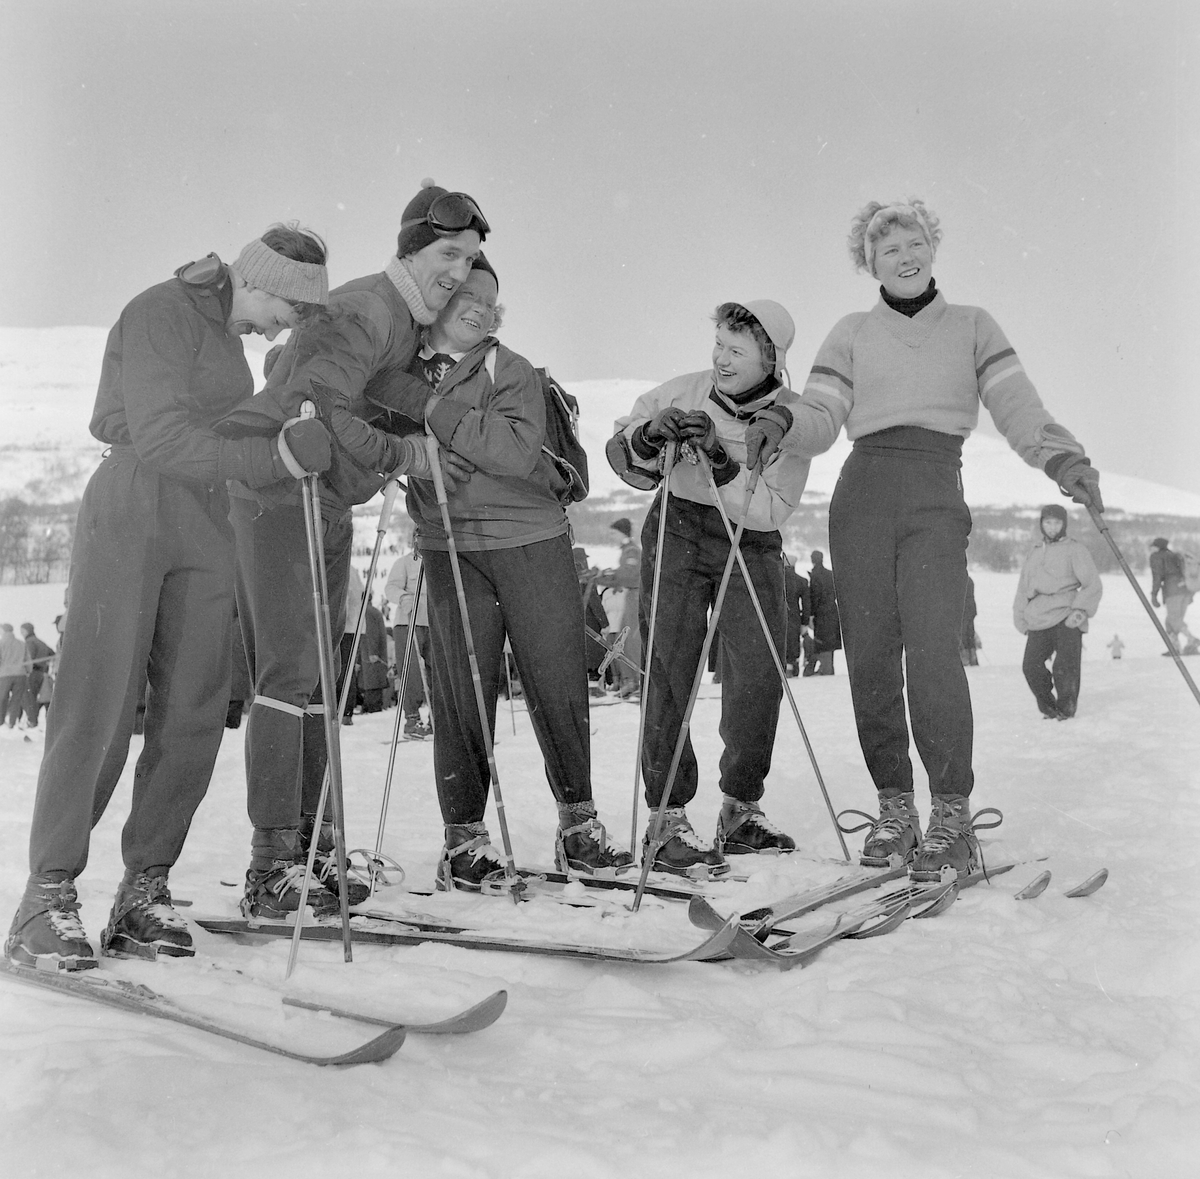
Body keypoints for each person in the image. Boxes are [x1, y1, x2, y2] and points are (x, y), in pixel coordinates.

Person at [5, 225, 333, 970]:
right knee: (100, 702)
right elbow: (157, 436)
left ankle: (143, 888)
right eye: (287, 310)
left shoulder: (225, 334)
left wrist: (287, 433)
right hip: (135, 504)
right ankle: (46, 894)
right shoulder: (162, 310)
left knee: (192, 708)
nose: (283, 329)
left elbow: (223, 434)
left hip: (207, 515)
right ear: (261, 280)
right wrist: (271, 454)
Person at [789, 198, 1103, 879]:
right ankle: (895, 806)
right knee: (871, 653)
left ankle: (951, 812)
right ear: (868, 262)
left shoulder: (971, 327)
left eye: (914, 243)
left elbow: (1018, 405)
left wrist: (1062, 457)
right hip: (863, 490)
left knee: (934, 648)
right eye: (888, 248)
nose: (904, 256)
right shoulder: (850, 332)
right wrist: (779, 423)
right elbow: (819, 415)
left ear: (933, 248)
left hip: (935, 489)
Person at [226, 181, 481, 917]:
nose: (456, 271)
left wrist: (427, 408)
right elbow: (324, 408)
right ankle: (272, 862)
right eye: (446, 253)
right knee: (287, 674)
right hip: (282, 495)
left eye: (467, 260)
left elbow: (377, 381)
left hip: (326, 502)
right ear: (410, 247)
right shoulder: (368, 306)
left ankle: (312, 847)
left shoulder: (398, 318)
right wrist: (410, 454)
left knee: (317, 678)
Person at [398, 254, 632, 889]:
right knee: (461, 691)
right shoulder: (399, 369)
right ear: (435, 296)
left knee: (556, 680)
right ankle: (464, 841)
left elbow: (511, 448)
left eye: (490, 297)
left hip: (532, 541)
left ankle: (579, 826)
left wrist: (427, 409)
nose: (478, 305)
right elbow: (375, 448)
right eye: (464, 292)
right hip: (449, 547)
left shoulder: (512, 369)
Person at [607, 300, 808, 874]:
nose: (720, 359)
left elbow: (772, 506)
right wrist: (649, 434)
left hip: (750, 537)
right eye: (718, 344)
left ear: (770, 357)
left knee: (758, 670)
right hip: (680, 526)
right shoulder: (684, 389)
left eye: (736, 351)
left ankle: (741, 808)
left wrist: (722, 459)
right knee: (669, 665)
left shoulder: (791, 417)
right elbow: (626, 458)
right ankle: (667, 818)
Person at [1013, 505, 1102, 719]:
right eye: (1048, 523)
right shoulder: (1034, 551)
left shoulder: (1075, 549)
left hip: (1067, 613)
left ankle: (1066, 710)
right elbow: (1023, 587)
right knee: (1030, 667)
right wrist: (1020, 615)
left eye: (1057, 523)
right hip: (1039, 615)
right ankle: (1049, 708)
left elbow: (1092, 584)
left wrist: (1079, 610)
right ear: (1041, 524)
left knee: (1065, 667)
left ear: (1064, 525)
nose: (1052, 528)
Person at [384, 528, 433, 738]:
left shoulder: (437, 563)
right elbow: (391, 588)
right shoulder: (403, 563)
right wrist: (404, 598)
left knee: (438, 672)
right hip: (408, 624)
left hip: (433, 623)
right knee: (411, 673)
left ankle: (437, 718)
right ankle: (412, 719)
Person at [596, 518, 643, 698]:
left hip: (634, 594)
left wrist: (604, 576)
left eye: (613, 533)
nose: (611, 536)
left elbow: (627, 575)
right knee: (627, 638)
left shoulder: (631, 551)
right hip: (631, 594)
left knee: (629, 638)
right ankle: (631, 680)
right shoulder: (628, 550)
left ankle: (634, 680)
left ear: (622, 533)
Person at [1149, 538, 1197, 655]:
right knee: (1171, 620)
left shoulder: (1157, 557)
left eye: (1153, 546)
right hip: (1185, 591)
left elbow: (1157, 576)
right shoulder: (1175, 556)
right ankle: (1176, 648)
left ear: (1157, 546)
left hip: (1172, 591)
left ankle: (1192, 640)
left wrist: (1154, 594)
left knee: (1173, 619)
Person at [806, 551, 841, 675]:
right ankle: (828, 667)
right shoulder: (830, 574)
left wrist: (810, 614)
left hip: (820, 613)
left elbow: (814, 597)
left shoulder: (814, 575)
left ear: (812, 560)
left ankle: (825, 669)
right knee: (829, 641)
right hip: (832, 610)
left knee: (821, 640)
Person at [357, 595, 390, 713]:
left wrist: (372, 652)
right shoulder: (372, 611)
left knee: (372, 681)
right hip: (372, 652)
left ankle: (372, 707)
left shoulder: (367, 612)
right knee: (373, 680)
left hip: (370, 653)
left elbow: (371, 633)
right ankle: (371, 706)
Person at [19, 624, 55, 730]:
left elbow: (29, 658)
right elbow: (52, 653)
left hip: (32, 672)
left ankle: (32, 721)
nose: (21, 633)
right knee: (34, 697)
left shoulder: (29, 642)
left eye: (22, 631)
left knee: (29, 697)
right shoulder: (41, 642)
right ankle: (33, 720)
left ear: (26, 631)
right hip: (42, 673)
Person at [782, 554, 810, 676]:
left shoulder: (776, 580)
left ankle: (783, 668)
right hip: (794, 616)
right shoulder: (801, 581)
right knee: (793, 642)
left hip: (777, 615)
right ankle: (793, 667)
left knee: (779, 642)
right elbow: (806, 605)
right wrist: (805, 621)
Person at [0, 623, 27, 731]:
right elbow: (27, 659)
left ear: (3, 631)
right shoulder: (21, 643)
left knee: (2, 698)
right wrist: (28, 671)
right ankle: (12, 722)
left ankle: (1, 722)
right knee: (16, 699)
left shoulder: (1, 643)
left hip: (4, 675)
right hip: (20, 674)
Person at [960, 575, 979, 667]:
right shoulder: (969, 579)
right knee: (969, 635)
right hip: (970, 610)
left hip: (963, 611)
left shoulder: (962, 579)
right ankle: (973, 659)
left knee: (963, 635)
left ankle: (965, 660)